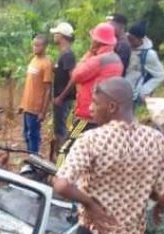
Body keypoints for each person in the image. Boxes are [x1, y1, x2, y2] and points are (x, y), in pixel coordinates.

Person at [54, 77, 164, 234]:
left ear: (111, 107)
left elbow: (61, 184)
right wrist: (155, 207)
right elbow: (161, 192)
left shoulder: (91, 140)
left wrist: (89, 203)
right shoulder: (156, 140)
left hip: (94, 233)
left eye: (95, 103)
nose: (90, 108)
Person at [56, 23, 123, 167]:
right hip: (104, 116)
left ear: (98, 41)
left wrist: (89, 53)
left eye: (93, 38)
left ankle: (59, 178)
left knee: (65, 150)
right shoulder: (116, 60)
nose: (91, 41)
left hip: (87, 116)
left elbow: (76, 74)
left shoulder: (98, 60)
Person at [19, 34, 53, 154]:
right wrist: (22, 105)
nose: (35, 48)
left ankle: (34, 161)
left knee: (33, 136)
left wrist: (43, 111)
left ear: (44, 47)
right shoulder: (33, 60)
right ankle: (30, 159)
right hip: (27, 106)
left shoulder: (47, 64)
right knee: (26, 134)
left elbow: (48, 89)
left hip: (36, 108)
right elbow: (29, 85)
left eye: (38, 46)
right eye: (34, 45)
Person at [50, 22, 77, 156]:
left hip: (63, 99)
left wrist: (61, 97)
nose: (54, 36)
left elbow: (73, 78)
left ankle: (64, 157)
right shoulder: (63, 54)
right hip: (61, 98)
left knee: (61, 130)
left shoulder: (67, 55)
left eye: (56, 34)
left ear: (62, 36)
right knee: (59, 129)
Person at [125, 21, 164, 103]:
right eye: (128, 38)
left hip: (134, 93)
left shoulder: (149, 55)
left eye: (132, 39)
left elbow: (160, 75)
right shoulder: (126, 45)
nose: (129, 42)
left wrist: (144, 90)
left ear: (140, 39)